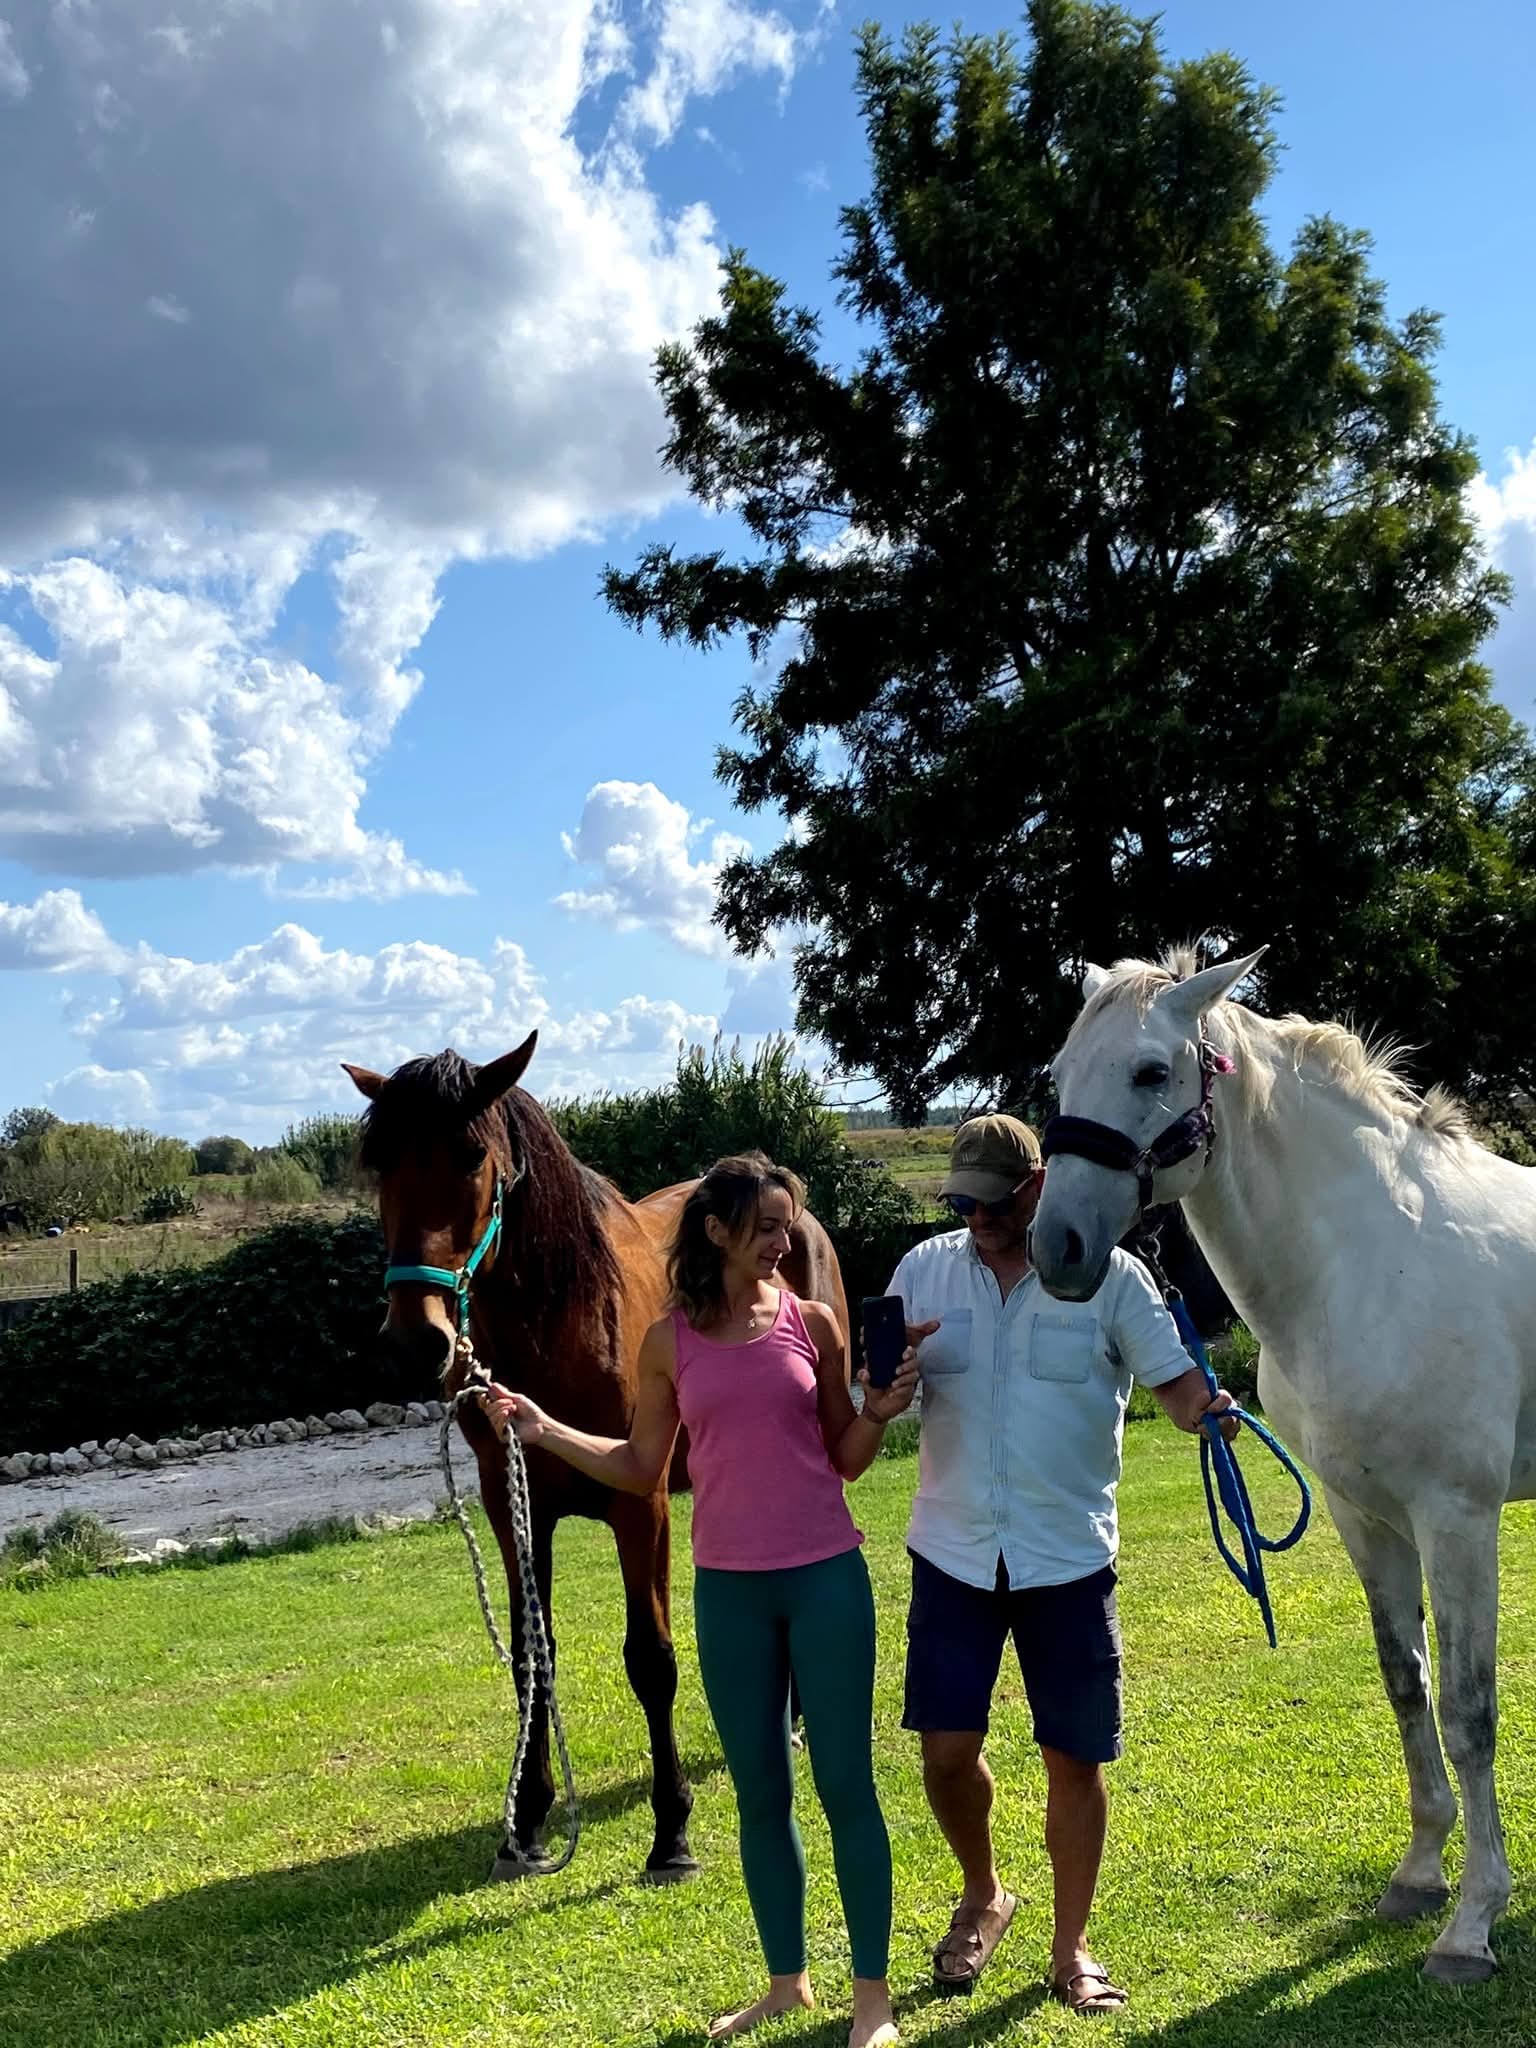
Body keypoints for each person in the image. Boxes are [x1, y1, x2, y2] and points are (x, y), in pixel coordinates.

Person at [481, 1152, 918, 2048]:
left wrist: (879, 1409)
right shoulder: (666, 1344)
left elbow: (846, 1456)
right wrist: (542, 1426)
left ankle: (871, 2000)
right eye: (766, 1227)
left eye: (787, 1225)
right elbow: (640, 1468)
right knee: (762, 1796)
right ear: (715, 1232)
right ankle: (786, 1983)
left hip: (827, 1579)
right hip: (728, 1597)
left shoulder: (818, 1325)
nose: (783, 1242)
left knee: (846, 1788)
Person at [889, 1114, 1235, 2016]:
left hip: (1068, 1559)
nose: (976, 1219)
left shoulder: (1115, 1280)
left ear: (1037, 1189)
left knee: (1074, 1760)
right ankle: (984, 1893)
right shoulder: (922, 1271)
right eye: (960, 1201)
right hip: (953, 1554)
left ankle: (1071, 1945)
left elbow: (1174, 1385)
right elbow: (876, 1394)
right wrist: (878, 1391)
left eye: (992, 1203)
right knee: (945, 1755)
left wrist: (1209, 1407)